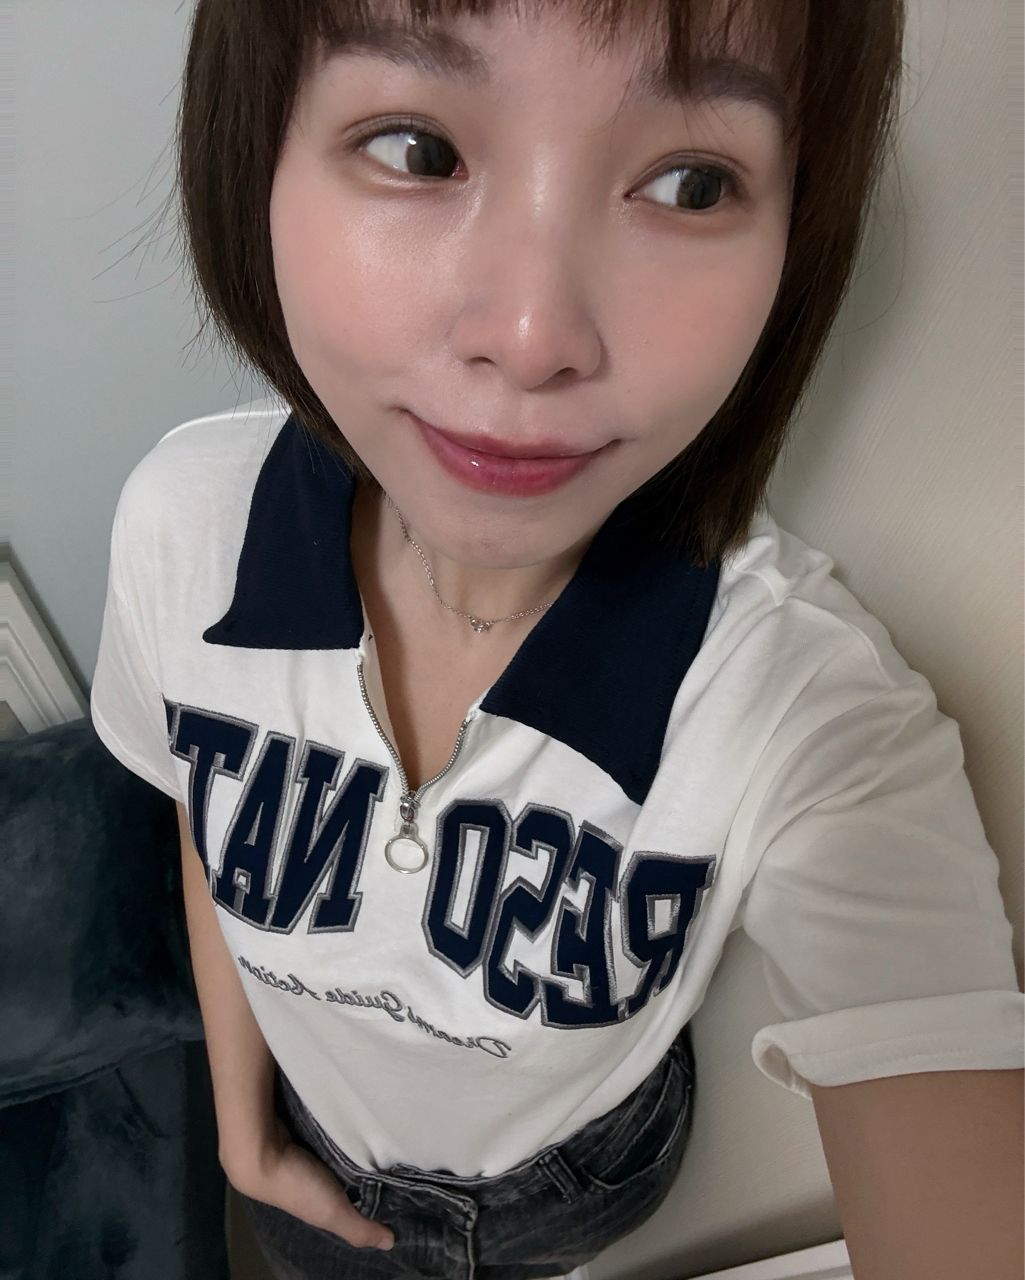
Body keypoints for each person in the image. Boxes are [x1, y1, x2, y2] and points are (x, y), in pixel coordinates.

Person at [89, 1, 1024, 1278]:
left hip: (579, 1184)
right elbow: (210, 810)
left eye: (689, 183)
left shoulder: (802, 708)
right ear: (255, 151)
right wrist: (242, 1119)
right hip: (308, 1157)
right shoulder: (182, 528)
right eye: (416, 148)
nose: (531, 340)